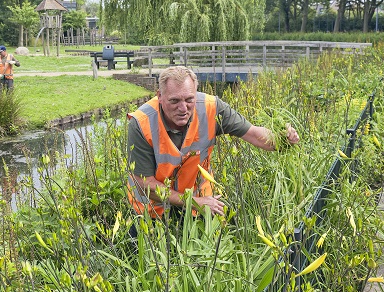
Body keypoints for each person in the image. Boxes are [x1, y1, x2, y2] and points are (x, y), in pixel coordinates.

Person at [127, 66, 300, 219]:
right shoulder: (141, 123)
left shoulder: (212, 108)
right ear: (160, 97)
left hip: (200, 204)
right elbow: (144, 183)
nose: (183, 108)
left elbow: (254, 134)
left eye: (189, 100)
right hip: (153, 211)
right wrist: (192, 201)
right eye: (174, 101)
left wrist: (282, 140)